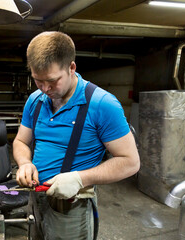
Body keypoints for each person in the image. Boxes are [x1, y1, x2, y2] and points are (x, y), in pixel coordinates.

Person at [13, 31, 140, 240]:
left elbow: (130, 162)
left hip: (72, 208)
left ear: (71, 68)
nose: (45, 89)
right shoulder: (35, 100)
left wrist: (81, 178)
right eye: (38, 81)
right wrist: (24, 162)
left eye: (52, 81)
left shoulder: (102, 104)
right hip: (36, 201)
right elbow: (20, 141)